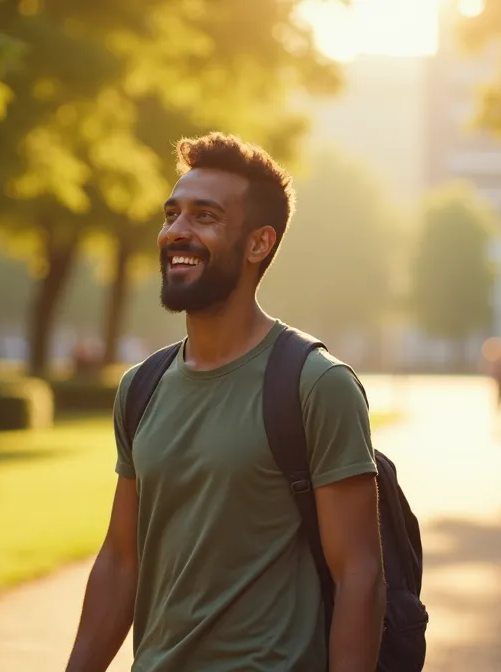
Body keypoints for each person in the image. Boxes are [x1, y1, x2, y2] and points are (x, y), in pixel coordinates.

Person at [65, 133, 385, 671]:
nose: (176, 232)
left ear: (259, 244)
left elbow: (361, 575)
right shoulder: (141, 387)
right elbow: (122, 560)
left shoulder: (316, 384)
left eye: (205, 217)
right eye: (172, 214)